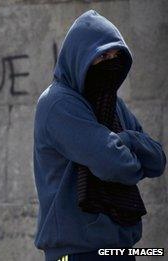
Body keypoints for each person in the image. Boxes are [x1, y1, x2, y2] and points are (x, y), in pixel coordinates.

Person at [33, 10, 166, 261]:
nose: (110, 63)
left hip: (119, 249)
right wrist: (128, 151)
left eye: (116, 56)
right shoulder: (58, 103)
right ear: (80, 58)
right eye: (102, 56)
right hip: (77, 252)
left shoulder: (112, 105)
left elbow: (158, 160)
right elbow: (113, 164)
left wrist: (124, 140)